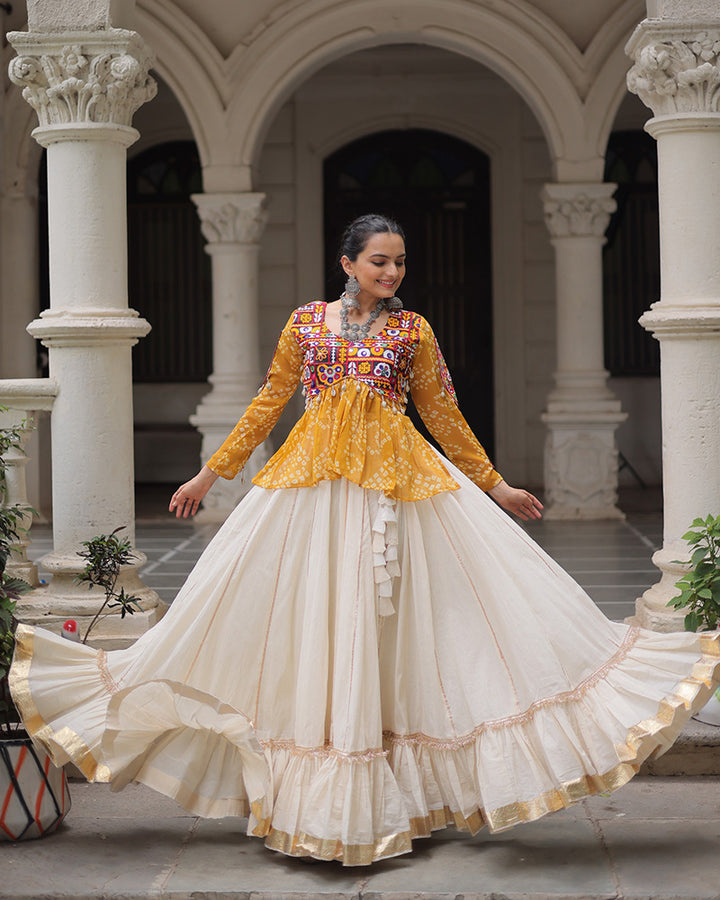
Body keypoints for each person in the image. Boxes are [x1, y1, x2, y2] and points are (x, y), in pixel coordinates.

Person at [11, 214, 720, 867]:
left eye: (400, 263)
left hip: (399, 490)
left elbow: (442, 411)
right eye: (379, 261)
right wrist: (211, 474)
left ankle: (400, 794)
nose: (392, 273)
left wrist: (493, 484)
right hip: (312, 492)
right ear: (346, 261)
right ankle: (319, 799)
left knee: (412, 631)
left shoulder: (412, 331)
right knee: (303, 623)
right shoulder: (304, 325)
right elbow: (268, 402)